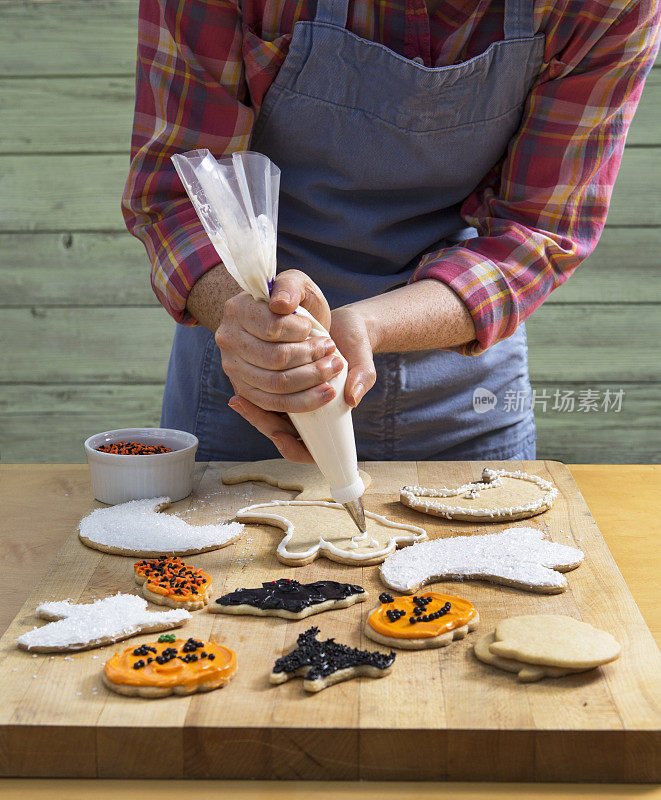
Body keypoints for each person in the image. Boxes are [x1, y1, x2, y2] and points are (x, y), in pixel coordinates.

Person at [122, 0, 659, 464]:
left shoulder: (603, 7)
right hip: (252, 364)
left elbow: (535, 230)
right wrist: (250, 323)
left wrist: (368, 325)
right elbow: (178, 192)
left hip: (462, 394)